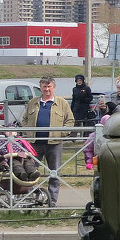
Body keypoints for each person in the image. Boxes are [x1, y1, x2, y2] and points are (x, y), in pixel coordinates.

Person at [21, 75, 73, 207]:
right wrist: (28, 132)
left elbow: (70, 121)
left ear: (54, 87)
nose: (47, 89)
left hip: (54, 144)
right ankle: (32, 199)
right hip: (34, 144)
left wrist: (61, 133)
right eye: (44, 86)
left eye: (49, 86)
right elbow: (24, 120)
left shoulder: (62, 103)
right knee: (31, 171)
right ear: (40, 88)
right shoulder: (33, 102)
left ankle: (52, 201)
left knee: (54, 172)